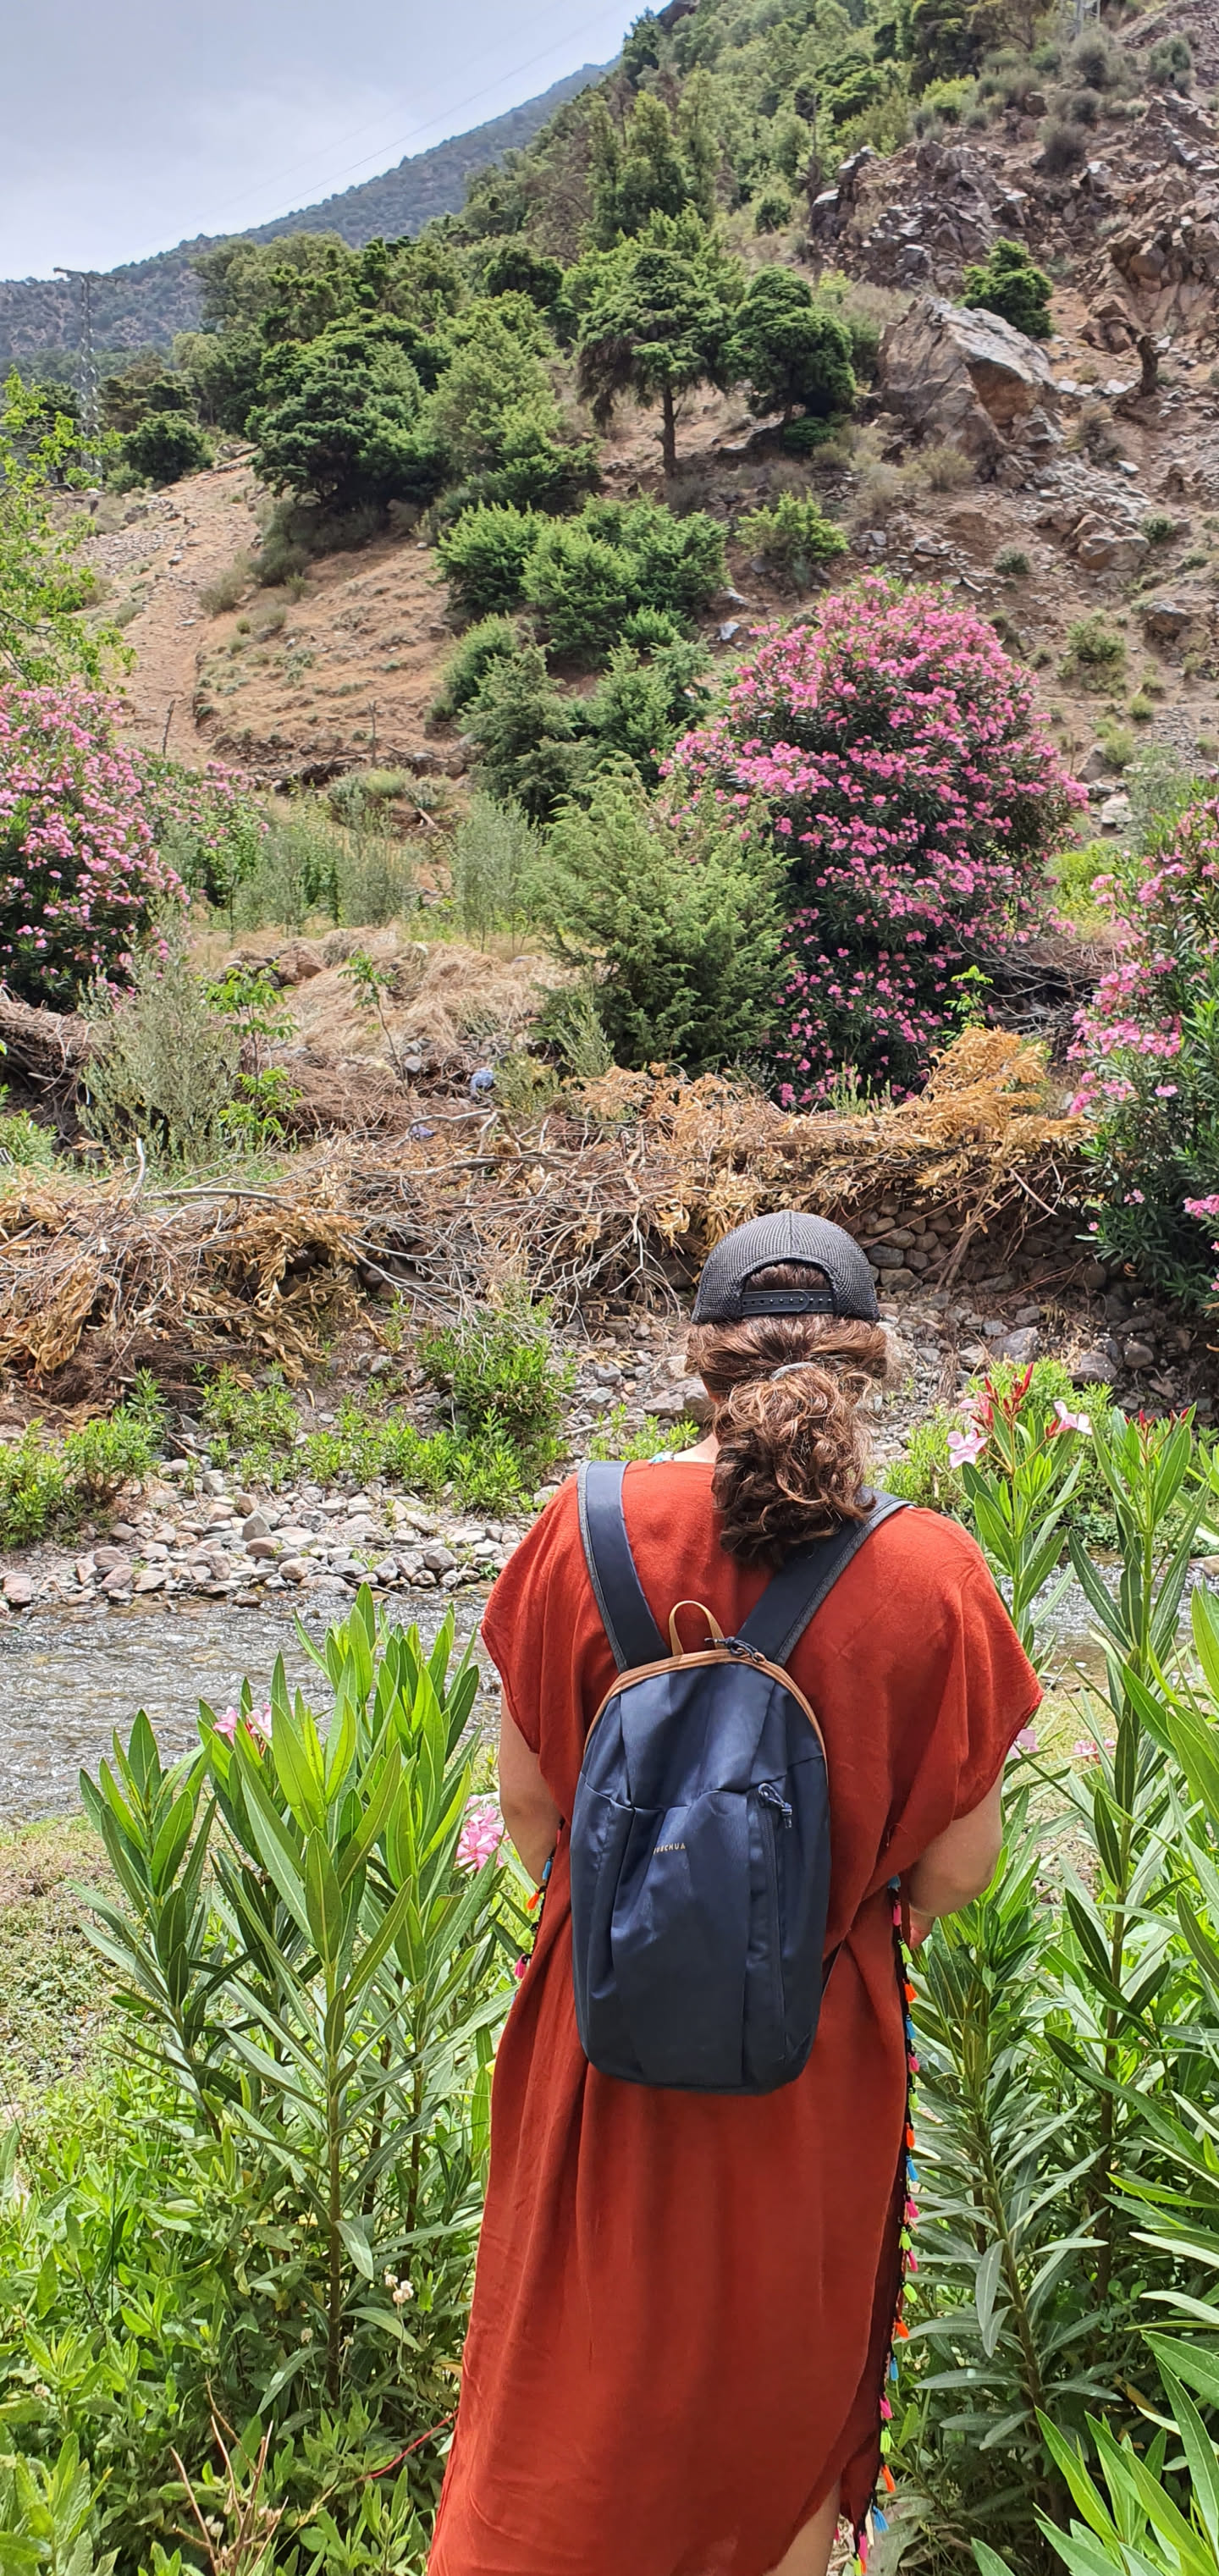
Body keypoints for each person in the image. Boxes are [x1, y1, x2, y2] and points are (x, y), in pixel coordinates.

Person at [428, 1213, 1040, 2576]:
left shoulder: (579, 1527)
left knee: (568, 2376)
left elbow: (530, 1813)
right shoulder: (934, 1575)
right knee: (777, 2395)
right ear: (873, 1369)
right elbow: (956, 1870)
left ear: (695, 1362)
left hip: (597, 2039)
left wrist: (645, 1917)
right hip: (812, 2056)